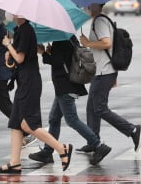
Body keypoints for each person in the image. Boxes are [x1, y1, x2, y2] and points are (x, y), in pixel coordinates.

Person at [0, 16, 72, 173]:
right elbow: (17, 59)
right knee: (15, 123)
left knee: (28, 125)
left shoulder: (26, 30)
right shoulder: (20, 30)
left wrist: (8, 45)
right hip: (24, 81)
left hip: (30, 83)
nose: (12, 15)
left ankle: (61, 148)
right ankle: (14, 162)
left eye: (15, 12)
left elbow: (20, 58)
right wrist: (9, 53)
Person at [29, 37, 112, 166]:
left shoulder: (61, 40)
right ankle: (47, 152)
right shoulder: (67, 38)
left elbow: (57, 62)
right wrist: (51, 51)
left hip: (66, 87)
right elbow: (63, 60)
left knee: (72, 119)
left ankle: (98, 145)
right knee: (54, 119)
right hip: (65, 86)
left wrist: (44, 53)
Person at [79, 3, 141, 154]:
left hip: (104, 72)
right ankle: (93, 141)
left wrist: (88, 43)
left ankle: (132, 129)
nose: (87, 6)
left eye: (89, 4)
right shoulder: (100, 20)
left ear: (95, 5)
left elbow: (107, 43)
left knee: (99, 108)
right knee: (91, 108)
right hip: (102, 71)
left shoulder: (100, 21)